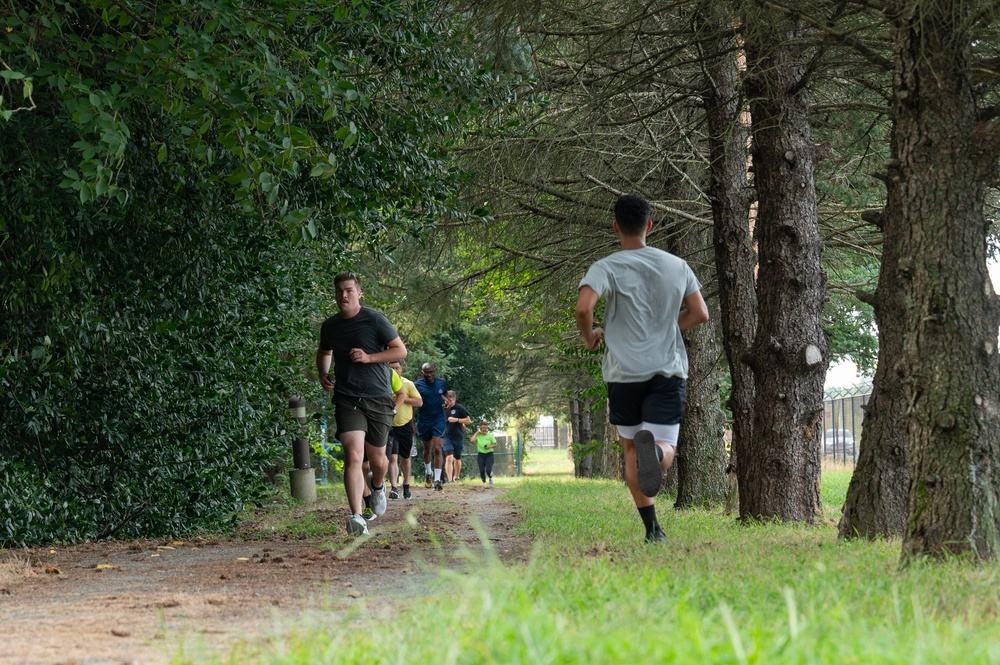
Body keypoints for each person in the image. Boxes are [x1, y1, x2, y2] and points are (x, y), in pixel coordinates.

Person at [575, 194, 709, 543]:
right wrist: (666, 328)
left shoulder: (606, 267)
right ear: (650, 225)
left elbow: (583, 308)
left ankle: (654, 531)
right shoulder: (677, 266)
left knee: (632, 451)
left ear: (615, 226)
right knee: (662, 448)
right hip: (666, 370)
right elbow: (700, 314)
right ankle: (659, 454)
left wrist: (591, 337)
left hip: (623, 374)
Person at [317, 271, 407, 537]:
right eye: (339, 291)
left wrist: (368, 358)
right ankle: (357, 517)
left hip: (378, 397)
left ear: (358, 293)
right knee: (353, 456)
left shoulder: (375, 319)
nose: (343, 296)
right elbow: (324, 351)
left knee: (378, 460)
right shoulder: (330, 326)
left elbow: (399, 351)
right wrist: (324, 373)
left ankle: (377, 487)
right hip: (347, 397)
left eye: (348, 290)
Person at [388, 360, 423, 499]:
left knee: (406, 457)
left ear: (401, 369)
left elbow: (419, 402)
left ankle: (406, 485)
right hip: (388, 425)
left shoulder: (408, 384)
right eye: (392, 368)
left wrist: (402, 398)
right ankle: (394, 487)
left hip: (405, 425)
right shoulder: (384, 384)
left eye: (397, 368)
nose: (395, 370)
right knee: (392, 457)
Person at [413, 362, 448, 491]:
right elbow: (413, 404)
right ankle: (428, 473)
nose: (429, 374)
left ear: (434, 371)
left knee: (438, 448)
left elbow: (444, 394)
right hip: (424, 420)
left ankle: (437, 480)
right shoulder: (417, 385)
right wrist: (412, 423)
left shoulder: (441, 382)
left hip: (438, 419)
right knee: (427, 450)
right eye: (426, 372)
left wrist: (446, 400)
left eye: (431, 372)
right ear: (422, 372)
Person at [442, 390, 471, 482]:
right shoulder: (442, 409)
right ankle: (450, 480)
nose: (447, 403)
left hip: (458, 437)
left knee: (457, 458)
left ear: (454, 400)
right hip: (446, 436)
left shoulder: (459, 408)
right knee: (449, 457)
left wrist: (457, 420)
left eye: (449, 400)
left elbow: (468, 420)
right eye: (445, 400)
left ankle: (457, 477)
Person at [471, 421, 497, 486]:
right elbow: (472, 441)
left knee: (488, 470)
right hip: (481, 455)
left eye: (485, 428)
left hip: (489, 454)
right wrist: (477, 433)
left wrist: (489, 446)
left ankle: (490, 478)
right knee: (481, 470)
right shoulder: (478, 436)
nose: (484, 429)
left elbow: (495, 444)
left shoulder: (490, 436)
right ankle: (484, 482)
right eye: (483, 428)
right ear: (480, 428)